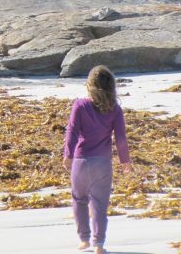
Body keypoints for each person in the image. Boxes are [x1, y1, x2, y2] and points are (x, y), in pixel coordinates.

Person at [63, 65, 132, 254]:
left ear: (90, 85)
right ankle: (99, 244)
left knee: (79, 200)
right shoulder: (115, 109)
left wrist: (68, 154)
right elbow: (121, 137)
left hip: (81, 161)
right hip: (103, 163)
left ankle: (84, 239)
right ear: (111, 86)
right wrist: (125, 161)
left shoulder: (80, 105)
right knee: (100, 204)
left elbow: (72, 131)